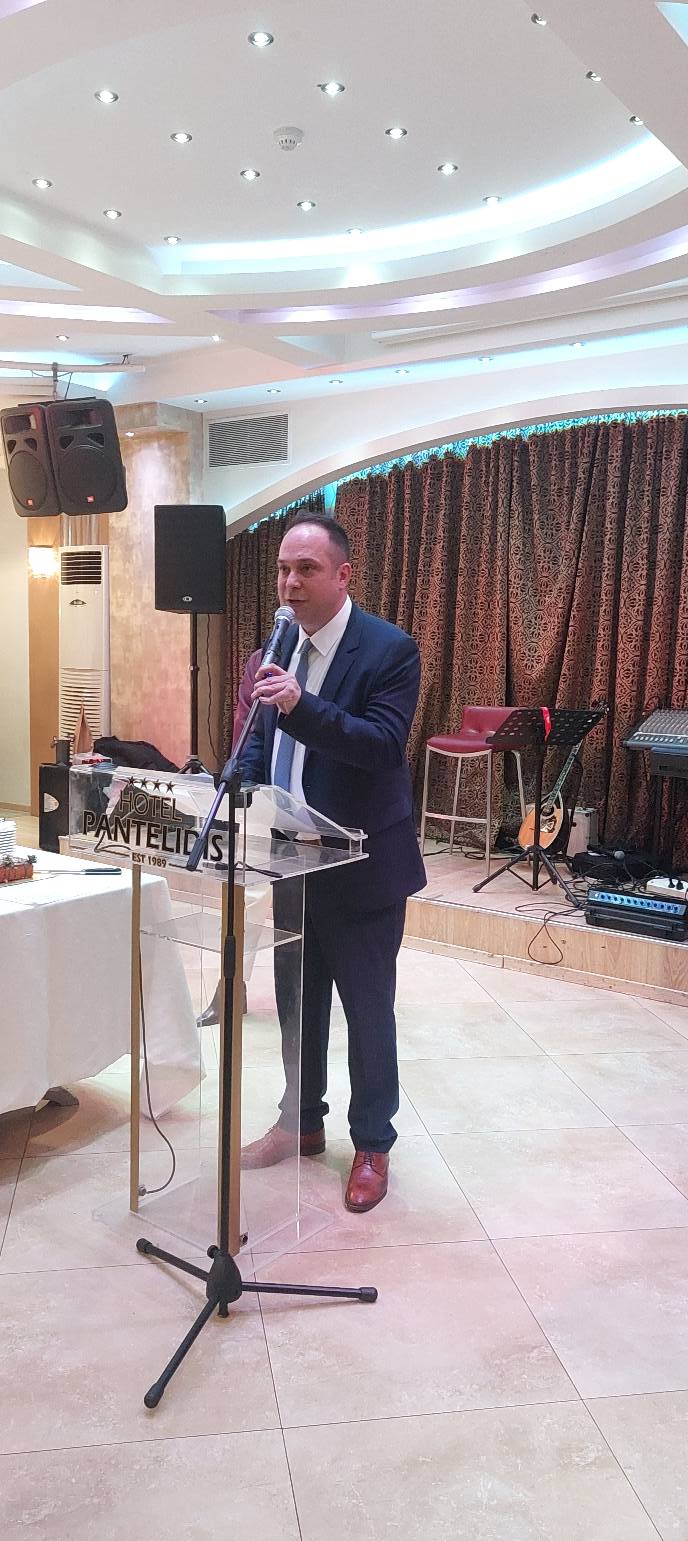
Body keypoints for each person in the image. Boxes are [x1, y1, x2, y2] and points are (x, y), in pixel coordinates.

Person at [238, 514, 426, 1212]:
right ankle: (301, 1122)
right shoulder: (278, 643)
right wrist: (243, 788)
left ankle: (372, 1142)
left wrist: (301, 704)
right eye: (283, 569)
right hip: (291, 859)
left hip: (363, 864)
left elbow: (381, 744)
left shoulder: (389, 649)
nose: (290, 583)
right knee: (298, 1003)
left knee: (368, 1011)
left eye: (307, 569)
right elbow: (263, 738)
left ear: (343, 575)